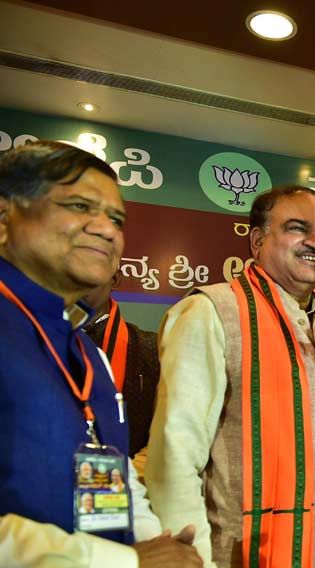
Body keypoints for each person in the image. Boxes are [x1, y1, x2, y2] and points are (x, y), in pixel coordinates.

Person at [146, 185, 315, 567]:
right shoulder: (210, 312)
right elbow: (174, 457)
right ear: (257, 240)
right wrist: (191, 558)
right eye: (298, 228)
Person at [0, 140, 199, 567]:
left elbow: (110, 471)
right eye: (79, 206)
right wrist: (124, 561)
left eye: (116, 218)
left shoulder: (88, 355)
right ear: (4, 218)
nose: (107, 229)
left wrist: (160, 544)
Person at [83, 270, 160, 469]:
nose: (78, 277)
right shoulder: (33, 341)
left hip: (124, 485)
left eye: (90, 269)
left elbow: (168, 433)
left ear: (115, 279)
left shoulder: (152, 349)